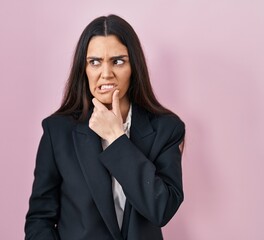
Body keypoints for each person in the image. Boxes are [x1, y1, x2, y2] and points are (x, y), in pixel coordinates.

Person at [25, 14, 185, 240]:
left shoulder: (166, 129)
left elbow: (161, 208)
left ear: (134, 67)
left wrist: (116, 138)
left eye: (118, 61)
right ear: (84, 69)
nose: (106, 73)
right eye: (95, 62)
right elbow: (39, 220)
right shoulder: (57, 131)